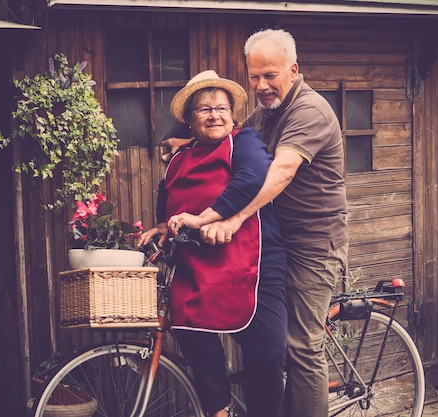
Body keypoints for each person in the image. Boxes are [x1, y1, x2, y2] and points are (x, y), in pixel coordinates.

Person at [166, 29, 349, 417]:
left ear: (294, 69)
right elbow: (230, 135)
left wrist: (233, 218)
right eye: (254, 76)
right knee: (270, 343)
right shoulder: (265, 113)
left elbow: (279, 172)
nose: (262, 85)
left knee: (302, 345)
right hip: (277, 242)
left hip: (315, 244)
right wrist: (189, 144)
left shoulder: (309, 111)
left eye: (270, 75)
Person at [139, 70, 288, 417]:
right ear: (190, 120)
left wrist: (206, 217)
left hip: (253, 263)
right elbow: (169, 194)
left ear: (232, 114)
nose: (214, 115)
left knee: (266, 356)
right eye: (204, 110)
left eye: (221, 108)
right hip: (199, 263)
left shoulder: (244, 141)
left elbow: (253, 179)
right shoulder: (180, 156)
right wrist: (164, 223)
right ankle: (219, 409)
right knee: (189, 328)